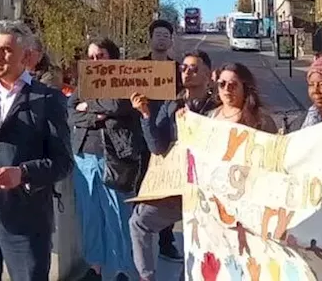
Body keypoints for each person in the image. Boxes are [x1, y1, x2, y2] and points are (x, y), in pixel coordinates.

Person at [0, 20, 73, 281]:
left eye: (6, 50)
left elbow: (63, 163)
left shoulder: (48, 99)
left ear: (26, 56)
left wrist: (24, 173)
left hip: (26, 223)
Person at [127, 50, 218, 281]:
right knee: (139, 222)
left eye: (194, 68)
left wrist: (194, 120)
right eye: (184, 68)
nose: (187, 72)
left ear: (208, 74)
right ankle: (146, 277)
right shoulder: (172, 103)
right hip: (175, 187)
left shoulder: (216, 106)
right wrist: (146, 115)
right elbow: (157, 146)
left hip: (206, 190)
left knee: (200, 243)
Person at [71, 38, 144, 281]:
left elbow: (117, 105)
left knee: (117, 215)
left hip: (114, 156)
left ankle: (123, 268)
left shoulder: (124, 80)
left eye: (100, 55)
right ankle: (95, 267)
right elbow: (70, 111)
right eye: (91, 57)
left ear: (112, 57)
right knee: (90, 214)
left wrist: (87, 106)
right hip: (83, 155)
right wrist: (95, 116)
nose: (95, 61)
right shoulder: (84, 83)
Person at [142, 19, 183, 262]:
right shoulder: (137, 67)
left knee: (165, 191)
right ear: (150, 38)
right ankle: (140, 244)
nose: (161, 38)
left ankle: (166, 242)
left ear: (170, 40)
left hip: (167, 138)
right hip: (141, 135)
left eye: (165, 35)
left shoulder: (178, 69)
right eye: (157, 34)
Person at [209, 63, 279, 133]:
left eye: (232, 85)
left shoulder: (261, 121)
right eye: (222, 84)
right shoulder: (211, 116)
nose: (226, 89)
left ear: (245, 88)